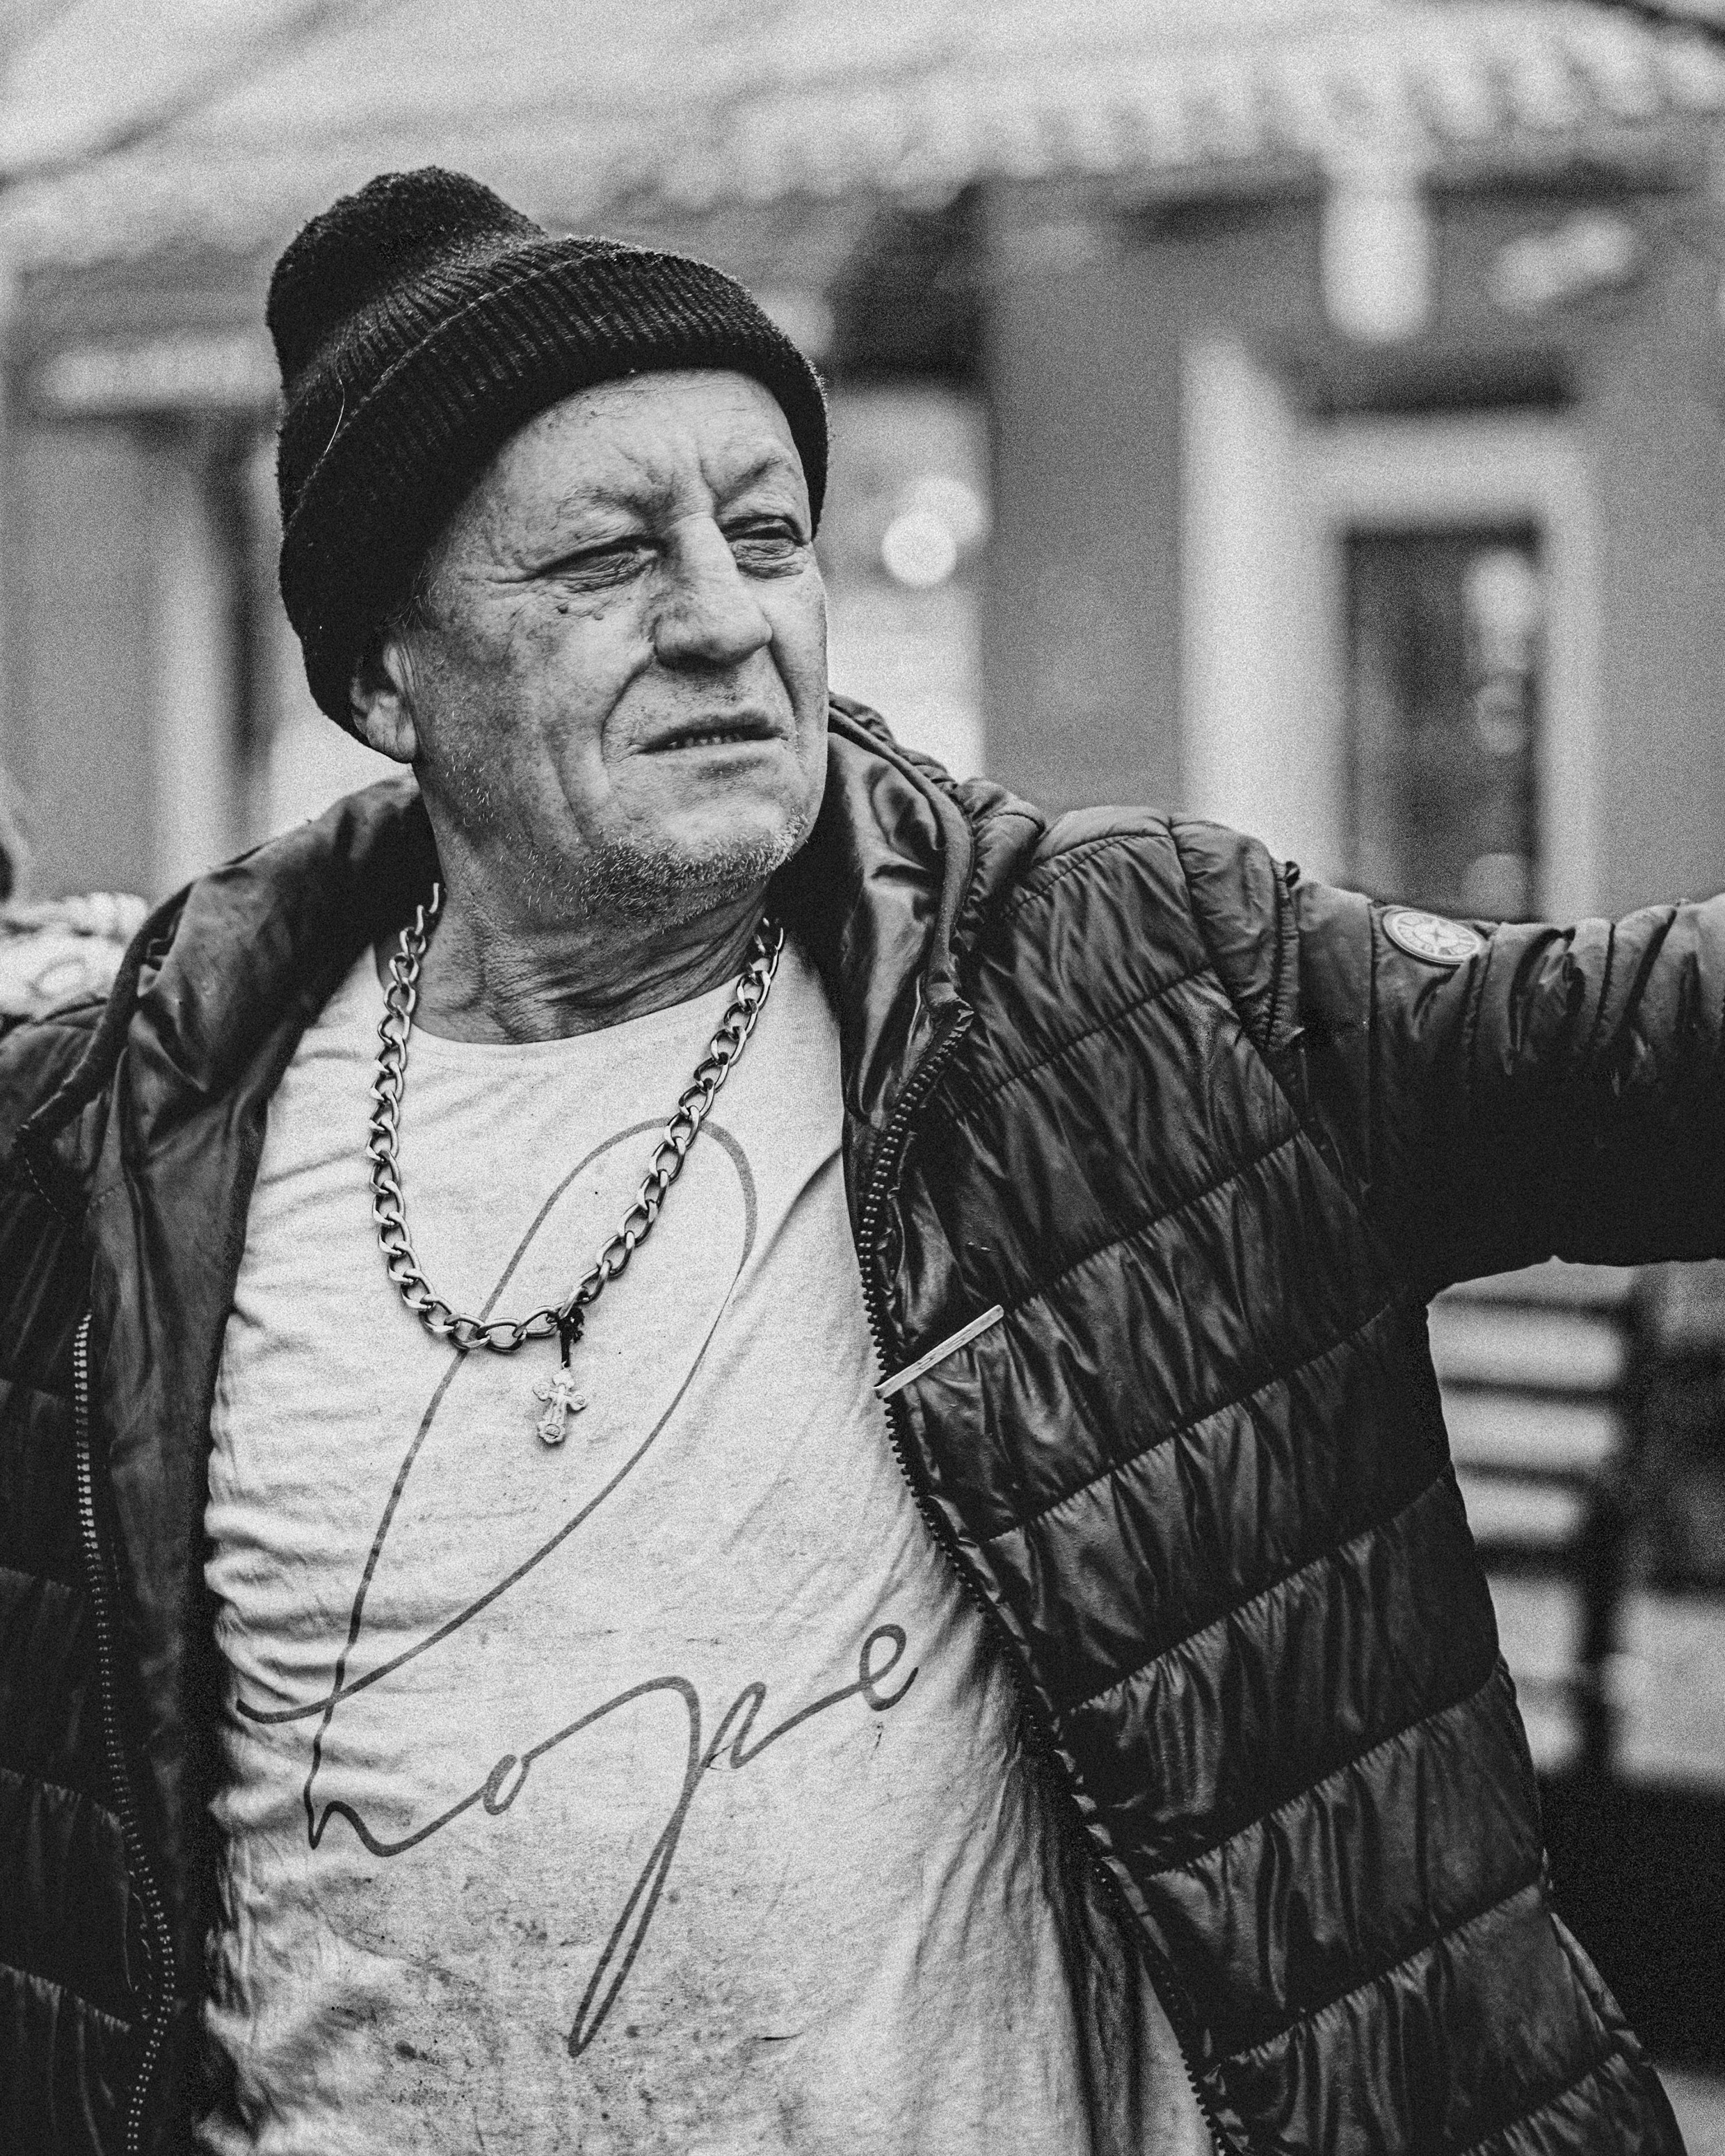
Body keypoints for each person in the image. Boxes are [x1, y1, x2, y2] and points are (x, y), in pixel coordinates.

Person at [0, 167, 1710, 2156]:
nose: (725, 618)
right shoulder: (119, 1153)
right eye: (603, 563)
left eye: (767, 534)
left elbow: (1632, 1056)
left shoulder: (1127, 997)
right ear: (389, 675)